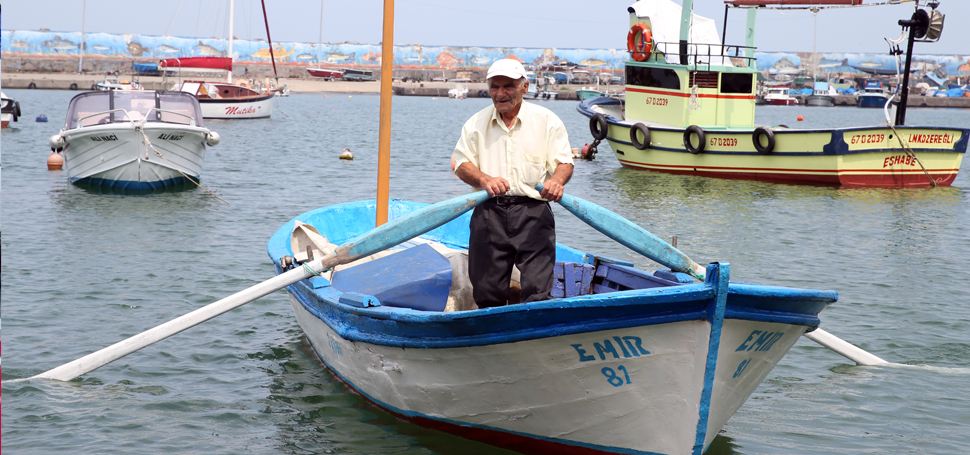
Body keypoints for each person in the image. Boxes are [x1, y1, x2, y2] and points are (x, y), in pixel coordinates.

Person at [451, 59, 574, 308]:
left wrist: (556, 182)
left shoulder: (547, 120)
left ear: (524, 87)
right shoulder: (475, 124)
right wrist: (484, 179)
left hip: (534, 213)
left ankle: (533, 338)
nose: (500, 93)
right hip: (489, 213)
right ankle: (492, 341)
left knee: (538, 292)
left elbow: (564, 163)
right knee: (487, 292)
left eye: (508, 86)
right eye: (495, 87)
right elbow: (461, 164)